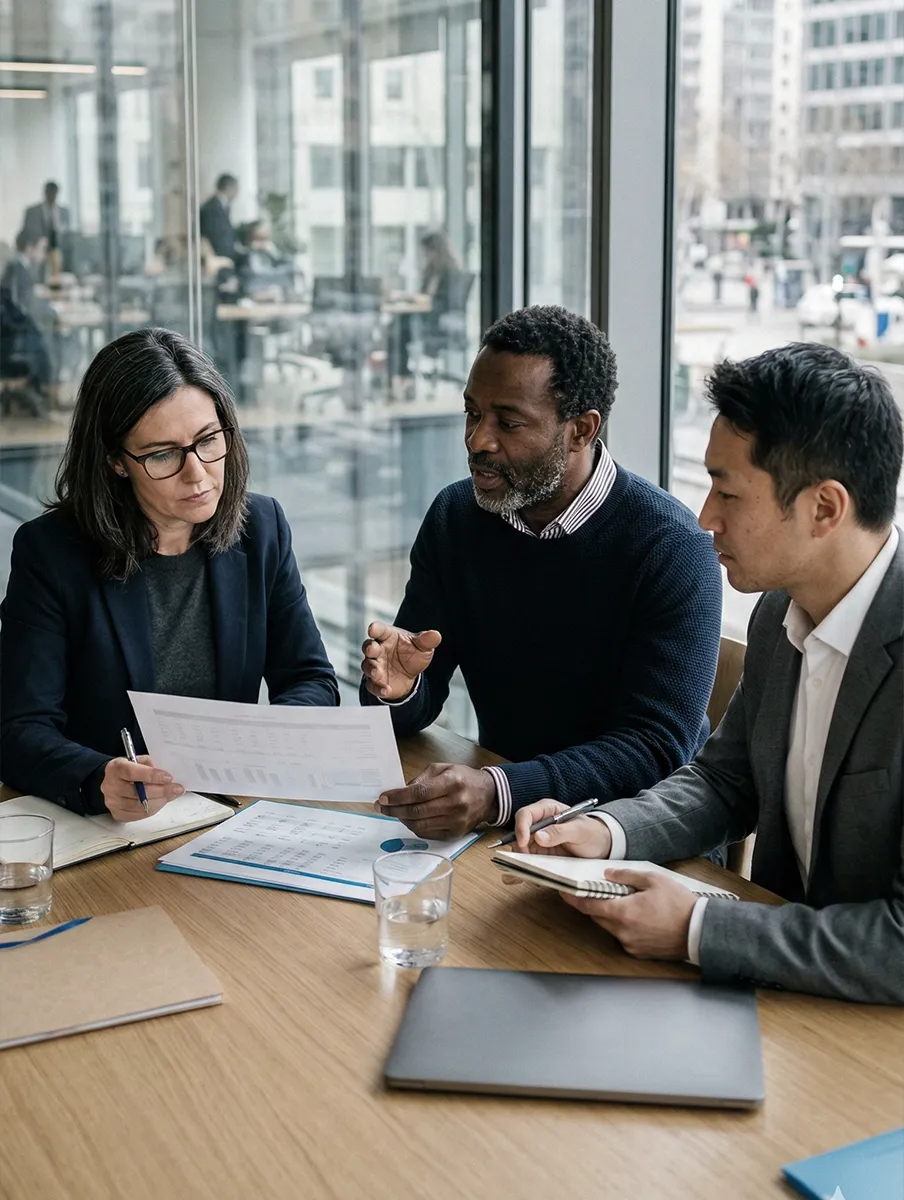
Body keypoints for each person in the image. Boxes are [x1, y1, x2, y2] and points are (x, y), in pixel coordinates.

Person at [512, 342, 903, 1005]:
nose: (705, 518)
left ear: (824, 509)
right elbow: (727, 780)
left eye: (728, 492)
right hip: (784, 1002)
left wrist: (697, 927)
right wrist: (607, 832)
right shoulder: (780, 610)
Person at [361, 306, 722, 838]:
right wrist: (399, 689)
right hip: (506, 826)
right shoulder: (456, 517)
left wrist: (500, 790)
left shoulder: (671, 547)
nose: (477, 440)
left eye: (507, 423)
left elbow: (655, 749)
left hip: (635, 836)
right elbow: (415, 697)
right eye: (472, 413)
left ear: (581, 430)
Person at [0, 327, 338, 821]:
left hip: (229, 811)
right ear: (116, 461)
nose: (197, 473)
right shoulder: (51, 553)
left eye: (208, 440)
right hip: (115, 826)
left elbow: (311, 679)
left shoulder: (261, 527)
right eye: (162, 454)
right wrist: (97, 778)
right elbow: (19, 728)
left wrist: (265, 743)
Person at [388, 230, 469, 390]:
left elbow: (448, 303)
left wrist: (422, 300)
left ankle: (402, 377)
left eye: (428, 252)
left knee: (398, 329)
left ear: (438, 251)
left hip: (437, 321)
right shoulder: (431, 272)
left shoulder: (453, 273)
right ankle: (399, 376)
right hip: (426, 317)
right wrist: (414, 298)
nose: (426, 256)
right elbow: (425, 296)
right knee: (396, 325)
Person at [20, 181, 70, 258]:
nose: (51, 196)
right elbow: (26, 233)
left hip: (58, 252)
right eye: (49, 192)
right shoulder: (32, 212)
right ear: (45, 193)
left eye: (54, 193)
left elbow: (67, 233)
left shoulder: (64, 212)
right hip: (36, 251)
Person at [199, 174, 239, 261]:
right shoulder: (211, 208)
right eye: (236, 189)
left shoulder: (223, 206)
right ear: (229, 188)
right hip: (217, 258)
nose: (236, 194)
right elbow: (207, 234)